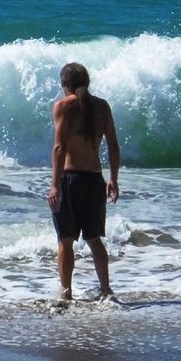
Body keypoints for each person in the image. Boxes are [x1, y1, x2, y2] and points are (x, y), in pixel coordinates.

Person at [47, 62, 120, 301]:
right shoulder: (102, 106)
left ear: (65, 84)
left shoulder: (62, 106)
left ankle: (66, 293)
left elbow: (59, 148)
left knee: (65, 241)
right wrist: (113, 179)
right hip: (94, 180)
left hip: (70, 180)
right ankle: (106, 290)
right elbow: (113, 145)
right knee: (94, 240)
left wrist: (55, 184)